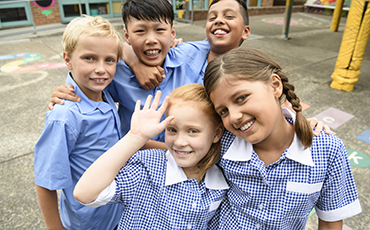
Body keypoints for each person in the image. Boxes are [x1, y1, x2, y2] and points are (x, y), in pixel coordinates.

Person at [48, 0, 329, 146]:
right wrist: (67, 89)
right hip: (139, 160)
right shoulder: (124, 69)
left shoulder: (196, 54)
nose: (151, 39)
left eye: (160, 31)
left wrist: (300, 120)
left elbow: (261, 95)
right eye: (212, 17)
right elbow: (101, 62)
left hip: (195, 160)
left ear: (173, 34)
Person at [203, 47, 362, 229]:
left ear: (275, 86)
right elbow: (181, 151)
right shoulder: (224, 142)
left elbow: (330, 222)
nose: (234, 117)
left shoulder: (327, 150)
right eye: (223, 111)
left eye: (241, 98)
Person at [73, 84, 228, 229]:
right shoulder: (146, 167)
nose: (180, 142)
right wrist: (135, 136)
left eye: (193, 131)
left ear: (216, 134)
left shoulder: (221, 181)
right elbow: (84, 194)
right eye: (172, 130)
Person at [34, 15, 124, 230]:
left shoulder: (103, 93)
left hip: (116, 213)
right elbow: (45, 181)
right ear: (67, 59)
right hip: (88, 223)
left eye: (109, 60)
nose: (101, 68)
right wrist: (55, 227)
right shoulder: (64, 116)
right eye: (89, 58)